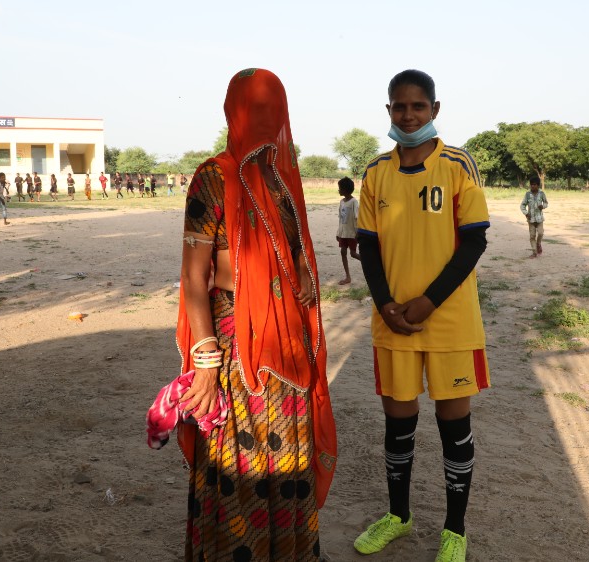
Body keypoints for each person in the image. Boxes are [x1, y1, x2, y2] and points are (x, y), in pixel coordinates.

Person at [173, 68, 336, 561]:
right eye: (255, 107)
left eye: (274, 108)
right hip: (235, 349)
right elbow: (192, 280)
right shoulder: (212, 177)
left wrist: (304, 277)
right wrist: (204, 362)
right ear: (234, 111)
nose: (266, 119)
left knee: (288, 458)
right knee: (236, 462)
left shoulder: (281, 180)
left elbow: (295, 254)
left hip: (288, 347)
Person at [353, 69, 490, 562]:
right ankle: (399, 515)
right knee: (398, 426)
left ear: (435, 109)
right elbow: (368, 250)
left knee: (454, 427)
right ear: (388, 110)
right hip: (393, 324)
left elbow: (474, 240)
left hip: (450, 322)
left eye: (417, 106)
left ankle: (454, 530)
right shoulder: (374, 173)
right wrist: (386, 305)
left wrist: (428, 301)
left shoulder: (458, 165)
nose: (408, 115)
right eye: (398, 106)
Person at [335, 176, 360, 285]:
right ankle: (348, 277)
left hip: (351, 234)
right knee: (343, 252)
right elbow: (340, 219)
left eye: (340, 188)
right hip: (343, 233)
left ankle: (369, 263)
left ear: (345, 189)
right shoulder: (342, 202)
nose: (339, 190)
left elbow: (357, 218)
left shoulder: (354, 202)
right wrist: (338, 233)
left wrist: (358, 233)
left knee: (353, 254)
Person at [520, 177, 548, 258]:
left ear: (538, 185)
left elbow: (546, 203)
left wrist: (543, 206)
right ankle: (534, 252)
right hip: (531, 219)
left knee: (540, 233)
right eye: (531, 184)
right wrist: (526, 213)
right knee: (532, 236)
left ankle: (538, 244)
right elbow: (522, 205)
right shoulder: (527, 194)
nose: (532, 186)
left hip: (539, 219)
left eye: (534, 185)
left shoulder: (542, 194)